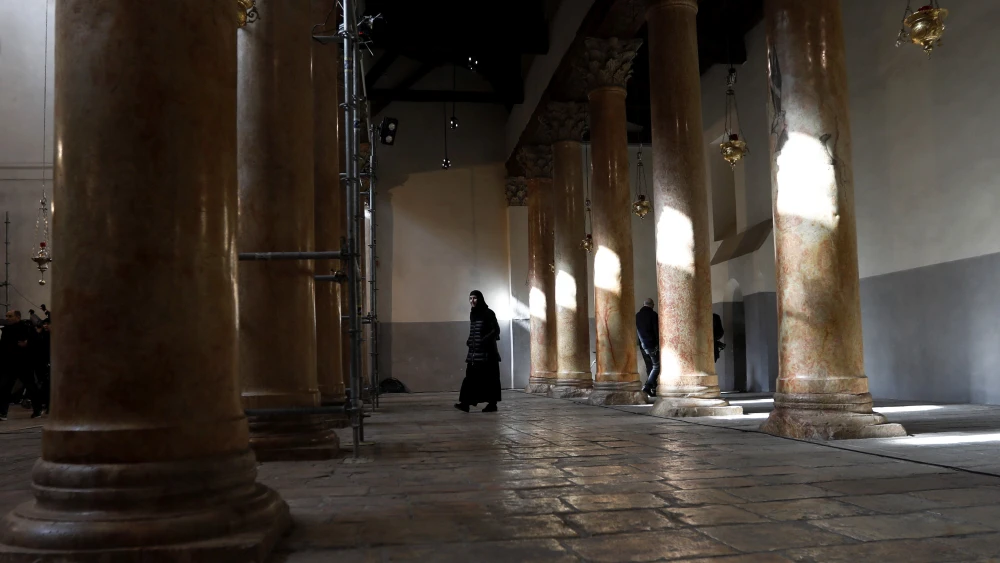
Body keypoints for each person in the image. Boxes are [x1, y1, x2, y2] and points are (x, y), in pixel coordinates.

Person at [455, 290, 502, 413]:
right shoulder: (473, 314)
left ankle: (492, 404)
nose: (472, 301)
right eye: (470, 298)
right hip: (474, 353)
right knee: (470, 378)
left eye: (474, 298)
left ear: (480, 299)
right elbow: (474, 331)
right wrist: (470, 340)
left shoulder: (489, 313)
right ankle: (465, 403)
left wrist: (483, 341)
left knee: (490, 379)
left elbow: (495, 330)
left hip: (488, 354)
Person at [0, 310, 43, 420]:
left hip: (24, 363)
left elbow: (38, 340)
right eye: (6, 316)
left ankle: (37, 410)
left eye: (10, 316)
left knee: (30, 386)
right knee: (5, 387)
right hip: (9, 363)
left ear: (18, 317)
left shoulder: (26, 328)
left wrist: (27, 344)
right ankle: (3, 413)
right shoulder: (6, 330)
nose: (7, 318)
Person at [636, 298, 659, 397]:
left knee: (649, 366)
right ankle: (647, 387)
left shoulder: (637, 315)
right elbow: (656, 331)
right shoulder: (653, 315)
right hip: (652, 345)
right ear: (652, 305)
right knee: (657, 366)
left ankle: (652, 389)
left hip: (643, 345)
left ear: (643, 304)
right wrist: (658, 344)